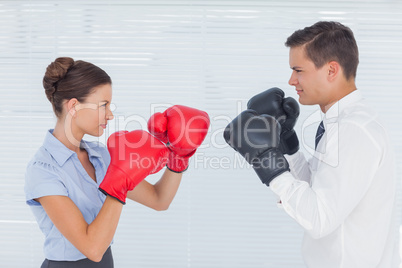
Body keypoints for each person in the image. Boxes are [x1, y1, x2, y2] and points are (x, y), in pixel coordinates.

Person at [224, 21, 398, 267]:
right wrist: (288, 145)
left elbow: (319, 219)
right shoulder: (343, 122)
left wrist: (266, 162)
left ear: (331, 70)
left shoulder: (353, 130)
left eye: (298, 70)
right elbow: (317, 193)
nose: (291, 80)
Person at [24, 57, 209, 267]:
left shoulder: (100, 156)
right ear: (74, 106)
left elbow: (159, 200)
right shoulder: (43, 170)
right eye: (104, 105)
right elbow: (92, 248)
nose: (110, 115)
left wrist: (178, 156)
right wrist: (118, 186)